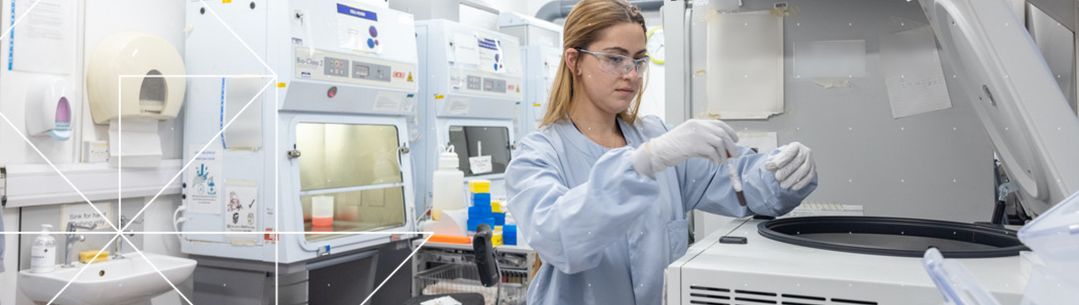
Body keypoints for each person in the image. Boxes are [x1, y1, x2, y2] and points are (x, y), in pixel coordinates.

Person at [504, 0, 819, 304]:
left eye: (639, 60)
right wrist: (642, 163)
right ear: (574, 61)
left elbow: (740, 187)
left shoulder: (657, 136)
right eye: (615, 59)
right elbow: (560, 238)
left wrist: (781, 173)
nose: (632, 74)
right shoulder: (537, 154)